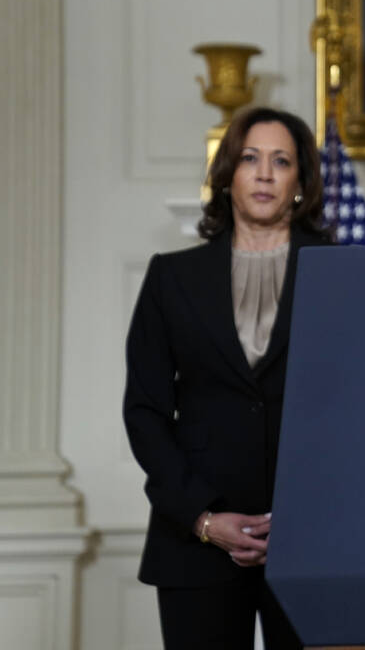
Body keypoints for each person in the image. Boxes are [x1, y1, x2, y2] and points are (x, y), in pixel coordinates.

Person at [124, 107, 332, 649]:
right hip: (196, 544)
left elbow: (360, 409)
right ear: (227, 176)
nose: (265, 174)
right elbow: (145, 411)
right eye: (249, 158)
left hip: (314, 543)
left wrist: (307, 512)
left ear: (301, 181)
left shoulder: (342, 272)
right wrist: (202, 518)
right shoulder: (172, 277)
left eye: (281, 161)